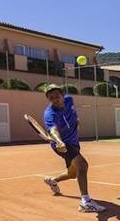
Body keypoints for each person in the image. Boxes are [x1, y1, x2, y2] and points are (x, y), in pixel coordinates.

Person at [42, 84, 105, 212]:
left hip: (74, 141)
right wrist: (59, 141)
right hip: (62, 145)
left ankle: (53, 180)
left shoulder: (69, 99)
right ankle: (86, 202)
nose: (55, 99)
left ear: (63, 95)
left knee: (73, 174)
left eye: (57, 96)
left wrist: (76, 120)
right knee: (82, 165)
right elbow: (53, 130)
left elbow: (72, 112)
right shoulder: (49, 113)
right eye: (51, 98)